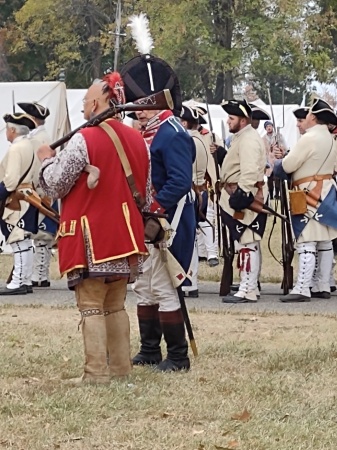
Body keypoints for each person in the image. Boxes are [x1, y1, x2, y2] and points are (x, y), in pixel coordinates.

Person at [37, 72, 150, 383]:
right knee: (115, 305)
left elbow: (56, 184)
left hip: (92, 236)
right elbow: (147, 193)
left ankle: (96, 373)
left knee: (91, 306)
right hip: (126, 236)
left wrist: (47, 160)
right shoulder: (138, 140)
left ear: (99, 101)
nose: (83, 107)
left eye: (86, 101)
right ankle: (121, 369)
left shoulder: (84, 139)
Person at [120, 15, 196, 372]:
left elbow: (180, 181)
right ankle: (150, 349)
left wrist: (155, 210)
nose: (135, 112)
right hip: (148, 219)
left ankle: (177, 356)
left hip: (168, 220)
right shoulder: (148, 132)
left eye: (139, 105)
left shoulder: (172, 132)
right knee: (145, 287)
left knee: (166, 287)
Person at [274, 98, 337, 302]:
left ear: (313, 116)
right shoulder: (330, 138)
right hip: (326, 191)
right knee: (325, 241)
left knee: (306, 241)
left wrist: (278, 164)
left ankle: (302, 288)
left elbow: (289, 165)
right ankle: (322, 284)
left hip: (308, 192)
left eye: (309, 113)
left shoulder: (309, 138)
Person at [219, 100, 267, 303]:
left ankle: (247, 289)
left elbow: (248, 169)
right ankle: (249, 286)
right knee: (247, 242)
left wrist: (243, 193)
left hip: (244, 195)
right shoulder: (243, 137)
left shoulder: (248, 139)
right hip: (237, 192)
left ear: (243, 120)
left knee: (247, 242)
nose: (228, 121)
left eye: (231, 118)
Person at [17, 101, 55, 288]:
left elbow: (38, 166)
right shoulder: (38, 136)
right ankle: (40, 274)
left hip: (39, 191)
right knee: (39, 234)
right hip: (37, 190)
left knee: (42, 235)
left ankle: (40, 275)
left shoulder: (40, 138)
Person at [0, 113, 38, 295]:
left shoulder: (16, 148)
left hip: (15, 198)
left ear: (13, 130)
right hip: (26, 194)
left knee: (17, 240)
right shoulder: (28, 145)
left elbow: (10, 180)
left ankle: (18, 282)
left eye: (7, 129)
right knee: (23, 240)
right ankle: (25, 279)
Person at [180, 105, 208, 297]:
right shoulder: (201, 140)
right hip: (199, 191)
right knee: (193, 239)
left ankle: (188, 281)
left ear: (183, 122)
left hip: (190, 192)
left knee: (186, 240)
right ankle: (191, 281)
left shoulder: (187, 141)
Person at [263, 121, 287, 200]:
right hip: (268, 161)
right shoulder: (263, 139)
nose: (269, 128)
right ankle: (271, 195)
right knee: (270, 179)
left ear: (272, 126)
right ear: (265, 128)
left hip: (277, 160)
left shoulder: (278, 136)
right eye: (267, 127)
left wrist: (281, 151)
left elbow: (284, 147)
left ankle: (277, 195)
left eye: (270, 126)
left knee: (277, 178)